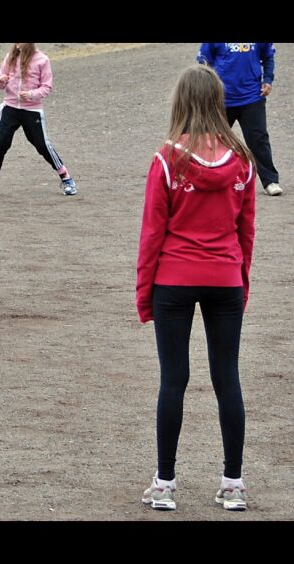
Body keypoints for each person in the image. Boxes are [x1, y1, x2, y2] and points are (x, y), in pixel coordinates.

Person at [136, 65, 256, 512]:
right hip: (225, 277)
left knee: (174, 380)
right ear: (219, 101)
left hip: (174, 280)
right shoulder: (242, 158)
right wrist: (241, 283)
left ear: (180, 102)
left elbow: (152, 234)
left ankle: (165, 483)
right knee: (228, 379)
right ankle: (233, 483)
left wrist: (144, 292)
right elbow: (247, 230)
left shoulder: (167, 159)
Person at [0, 43, 76, 197]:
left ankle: (66, 177)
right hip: (10, 108)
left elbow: (47, 87)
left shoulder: (42, 59)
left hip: (32, 110)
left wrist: (31, 94)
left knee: (42, 145)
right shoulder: (10, 57)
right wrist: (1, 81)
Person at [198, 43, 282, 196]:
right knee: (212, 139)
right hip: (220, 99)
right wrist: (207, 89)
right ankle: (204, 179)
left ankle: (270, 181)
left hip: (252, 97)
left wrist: (268, 79)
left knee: (258, 139)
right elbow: (204, 61)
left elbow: (268, 57)